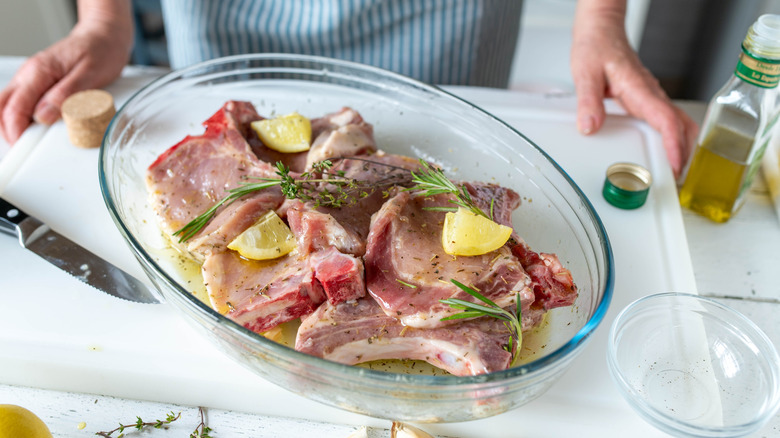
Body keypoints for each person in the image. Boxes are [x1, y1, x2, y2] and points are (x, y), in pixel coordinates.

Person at [0, 0, 697, 176]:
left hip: (444, 22)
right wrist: (102, 20)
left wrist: (601, 24)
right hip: (226, 20)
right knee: (228, 156)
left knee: (433, 166)